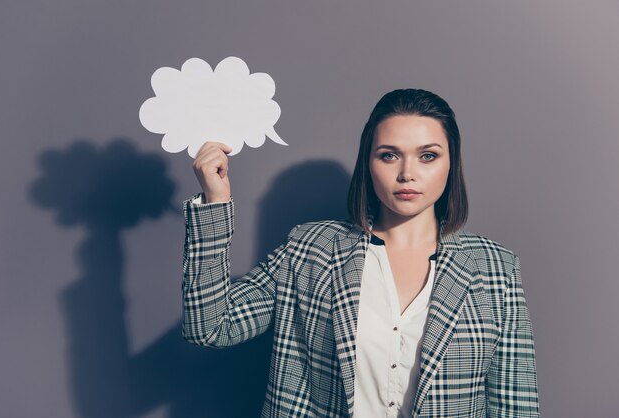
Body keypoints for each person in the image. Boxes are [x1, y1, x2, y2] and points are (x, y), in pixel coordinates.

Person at [181, 88, 540, 417]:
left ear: (451, 164)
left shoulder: (496, 268)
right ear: (368, 163)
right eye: (389, 156)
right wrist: (216, 200)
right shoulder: (311, 248)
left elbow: (515, 405)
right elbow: (210, 327)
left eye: (428, 156)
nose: (407, 174)